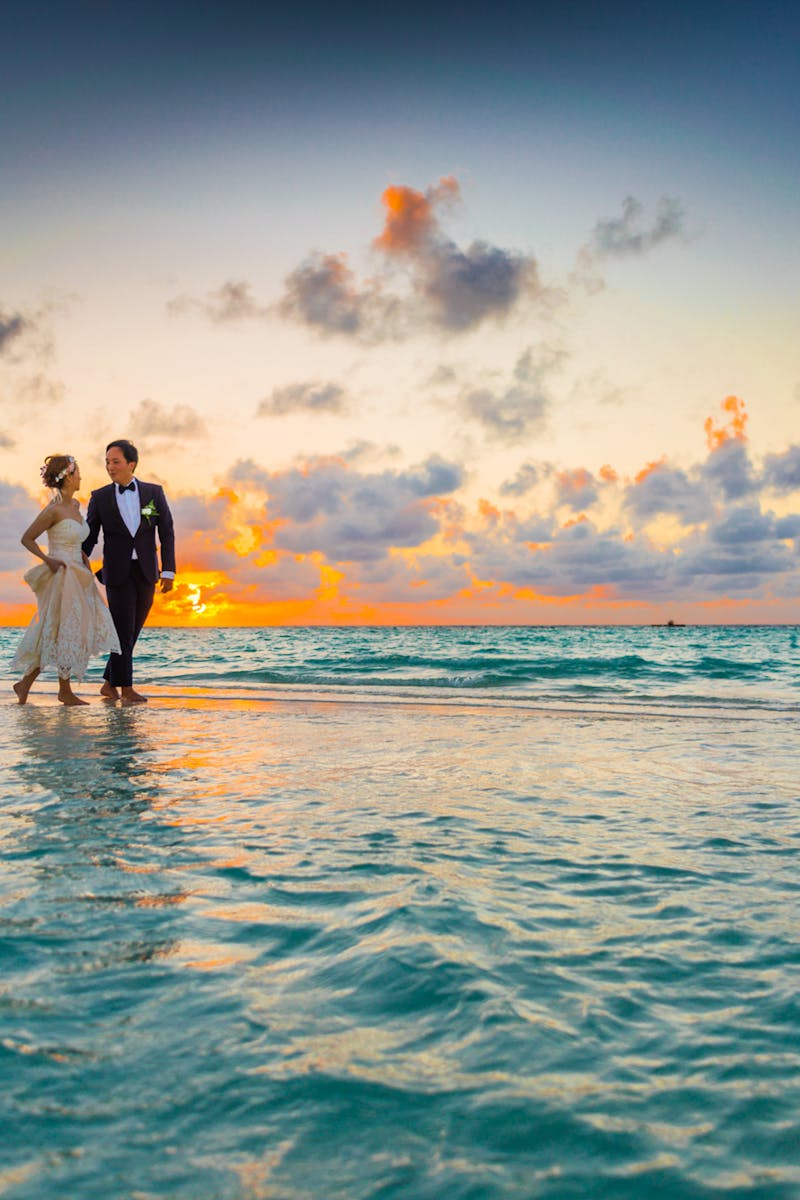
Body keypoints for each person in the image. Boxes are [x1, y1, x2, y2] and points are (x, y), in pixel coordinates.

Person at [12, 454, 121, 706]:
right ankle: (63, 690)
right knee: (62, 629)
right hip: (60, 574)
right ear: (68, 477)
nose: (81, 477)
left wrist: (82, 553)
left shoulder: (75, 507)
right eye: (78, 473)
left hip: (78, 574)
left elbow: (75, 537)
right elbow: (27, 538)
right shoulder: (53, 509)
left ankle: (26, 684)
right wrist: (47, 559)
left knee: (68, 630)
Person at [82, 439, 176, 703]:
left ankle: (109, 684)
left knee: (133, 630)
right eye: (107, 463)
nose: (110, 467)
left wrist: (168, 570)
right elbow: (90, 536)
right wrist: (77, 558)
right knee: (122, 631)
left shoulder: (154, 493)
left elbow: (166, 532)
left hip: (147, 571)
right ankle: (126, 689)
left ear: (131, 464)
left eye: (116, 462)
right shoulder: (99, 497)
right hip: (117, 572)